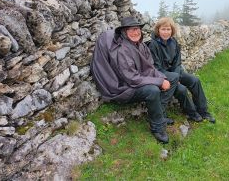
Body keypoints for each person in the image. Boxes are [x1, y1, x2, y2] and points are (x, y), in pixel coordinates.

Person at [91, 16, 180, 144]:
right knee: (152, 90)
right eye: (131, 30)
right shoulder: (123, 50)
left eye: (137, 29)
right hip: (126, 88)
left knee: (173, 77)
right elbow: (132, 79)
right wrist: (159, 82)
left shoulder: (141, 45)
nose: (136, 32)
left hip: (138, 80)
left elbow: (150, 68)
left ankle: (160, 115)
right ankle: (157, 127)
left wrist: (162, 77)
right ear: (124, 32)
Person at [148, 17, 216, 123]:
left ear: (172, 30)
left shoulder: (173, 42)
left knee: (195, 80)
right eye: (163, 29)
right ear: (158, 30)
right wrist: (173, 78)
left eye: (168, 29)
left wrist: (177, 76)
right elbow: (156, 67)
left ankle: (203, 111)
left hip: (175, 72)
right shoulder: (153, 44)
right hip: (162, 74)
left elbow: (177, 62)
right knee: (181, 89)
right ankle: (192, 113)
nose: (166, 32)